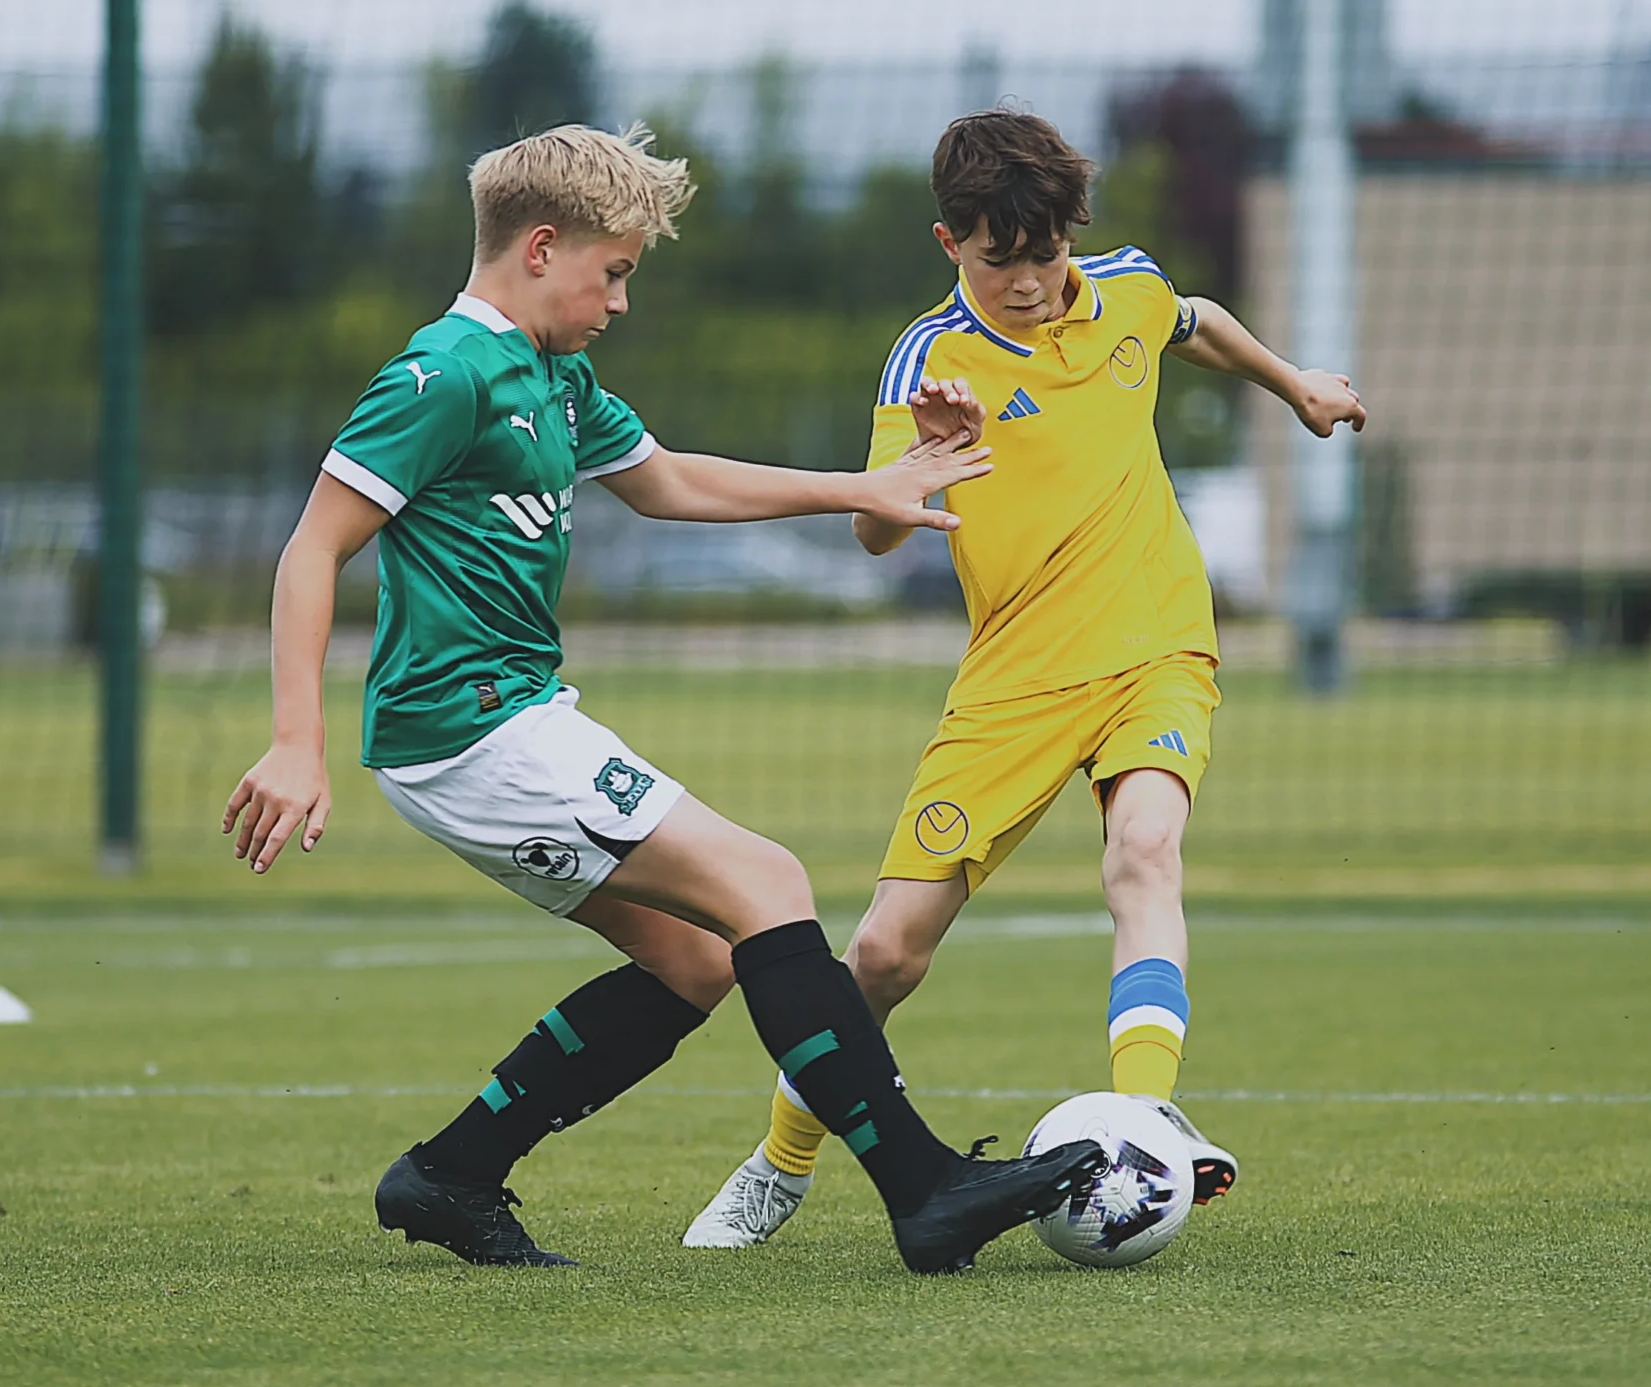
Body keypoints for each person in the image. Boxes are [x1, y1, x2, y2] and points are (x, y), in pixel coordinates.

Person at [224, 123, 1099, 1274]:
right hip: (473, 732)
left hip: (506, 721)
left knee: (697, 959)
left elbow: (671, 479)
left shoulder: (553, 374)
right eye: (616, 271)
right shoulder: (442, 376)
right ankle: (923, 1188)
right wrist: (296, 741)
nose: (621, 301)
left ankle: (450, 1174)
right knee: (766, 882)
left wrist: (868, 485)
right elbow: (310, 548)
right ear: (541, 248)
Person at [683, 107, 1366, 1249]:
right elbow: (872, 534)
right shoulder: (925, 359)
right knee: (884, 953)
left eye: (1047, 253)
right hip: (1013, 682)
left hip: (1157, 644)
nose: (1032, 283)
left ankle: (1144, 1120)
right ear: (949, 241)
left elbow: (1193, 321)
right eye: (1002, 260)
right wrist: (927, 460)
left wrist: (1293, 384)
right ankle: (779, 1162)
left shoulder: (1124, 289)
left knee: (1142, 852)